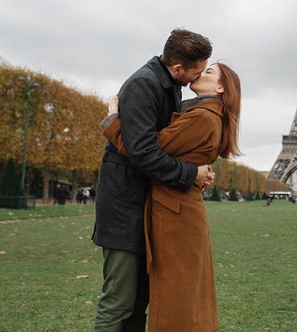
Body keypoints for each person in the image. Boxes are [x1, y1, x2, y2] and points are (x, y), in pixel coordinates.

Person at [102, 62, 241, 332]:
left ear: (221, 88)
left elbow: (143, 151)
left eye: (210, 73)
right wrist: (193, 172)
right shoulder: (205, 114)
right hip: (179, 210)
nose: (202, 74)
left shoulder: (202, 117)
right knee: (184, 298)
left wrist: (112, 123)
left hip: (176, 215)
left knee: (177, 300)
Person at [92, 29, 215, 331]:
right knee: (118, 304)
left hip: (143, 207)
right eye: (197, 71)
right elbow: (144, 153)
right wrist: (190, 173)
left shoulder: (167, 84)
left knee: (136, 304)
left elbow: (164, 143)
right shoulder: (144, 85)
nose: (196, 78)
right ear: (177, 68)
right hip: (124, 210)